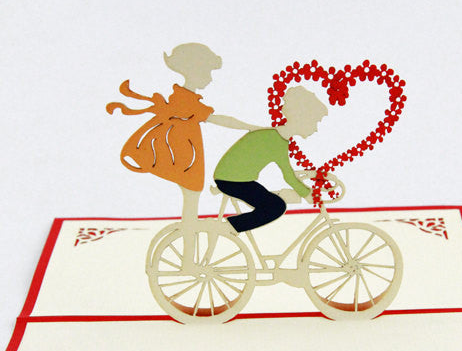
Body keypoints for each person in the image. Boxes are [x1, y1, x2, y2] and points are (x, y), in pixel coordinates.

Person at [107, 43, 260, 267]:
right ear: (195, 71)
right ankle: (189, 260)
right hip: (183, 160)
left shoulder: (185, 97)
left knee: (191, 201)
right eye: (207, 72)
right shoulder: (186, 100)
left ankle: (189, 255)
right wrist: (251, 127)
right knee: (191, 201)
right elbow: (219, 120)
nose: (210, 78)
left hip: (185, 156)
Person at [214, 86, 328, 232]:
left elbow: (288, 172)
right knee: (276, 206)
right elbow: (288, 175)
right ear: (302, 119)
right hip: (232, 180)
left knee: (275, 200)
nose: (316, 128)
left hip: (234, 179)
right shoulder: (276, 140)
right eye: (315, 122)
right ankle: (229, 227)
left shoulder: (276, 138)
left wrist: (306, 181)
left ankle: (231, 226)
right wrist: (306, 194)